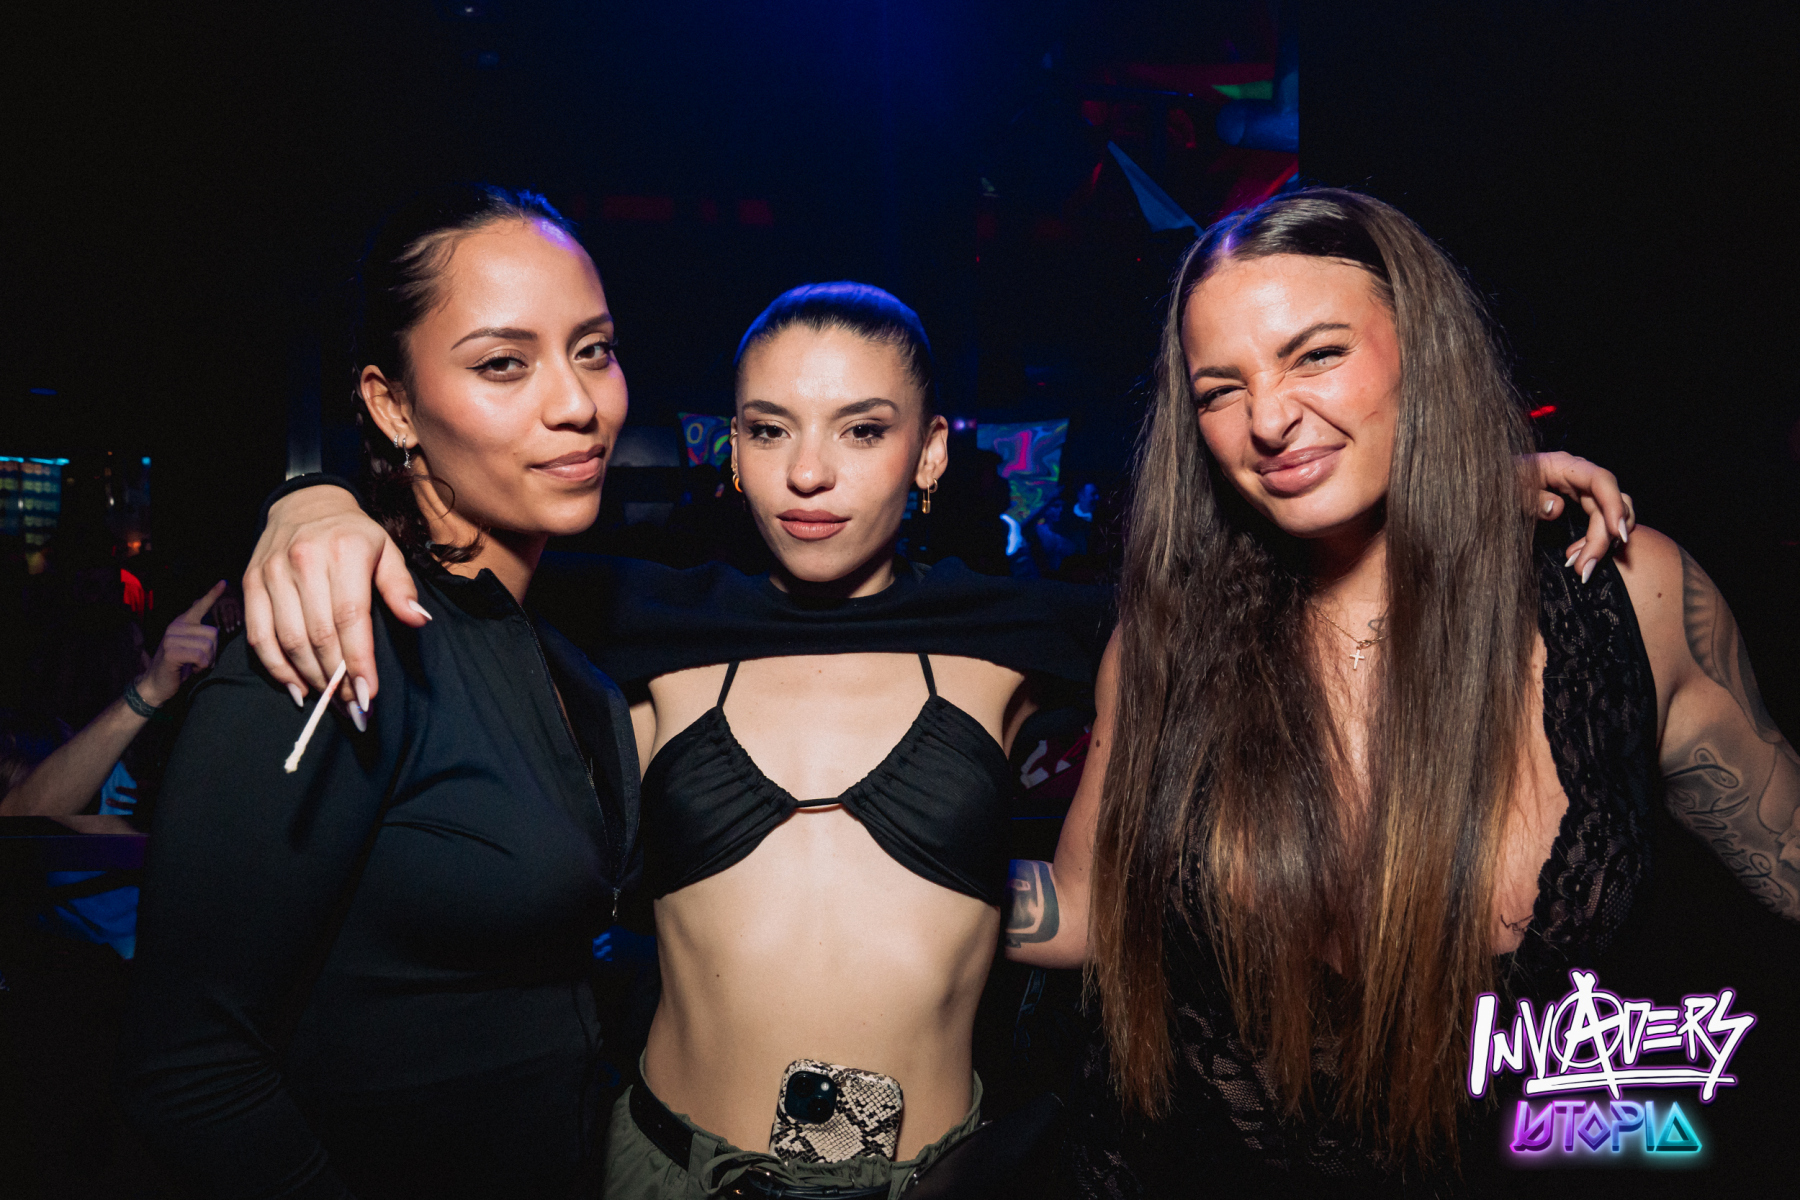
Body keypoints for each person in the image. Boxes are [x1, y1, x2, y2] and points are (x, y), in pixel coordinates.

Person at [247, 284, 1633, 1198]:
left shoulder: (1025, 625)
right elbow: (444, 559)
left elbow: (1261, 574)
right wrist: (313, 506)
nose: (808, 473)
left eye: (861, 431)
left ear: (928, 452)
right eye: (769, 430)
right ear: (727, 448)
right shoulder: (630, 614)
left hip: (955, 1176)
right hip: (676, 1170)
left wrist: (1442, 493)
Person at [1005, 189, 1800, 1192]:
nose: (1269, 419)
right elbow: (1083, 909)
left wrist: (1460, 495)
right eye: (1220, 389)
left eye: (1316, 355)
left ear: (1421, 349)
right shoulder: (1166, 646)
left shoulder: (1627, 597)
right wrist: (882, 854)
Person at [118, 185, 640, 1199]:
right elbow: (188, 1072)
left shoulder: (558, 646)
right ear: (393, 404)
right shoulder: (336, 642)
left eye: (594, 349)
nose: (578, 403)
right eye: (503, 363)